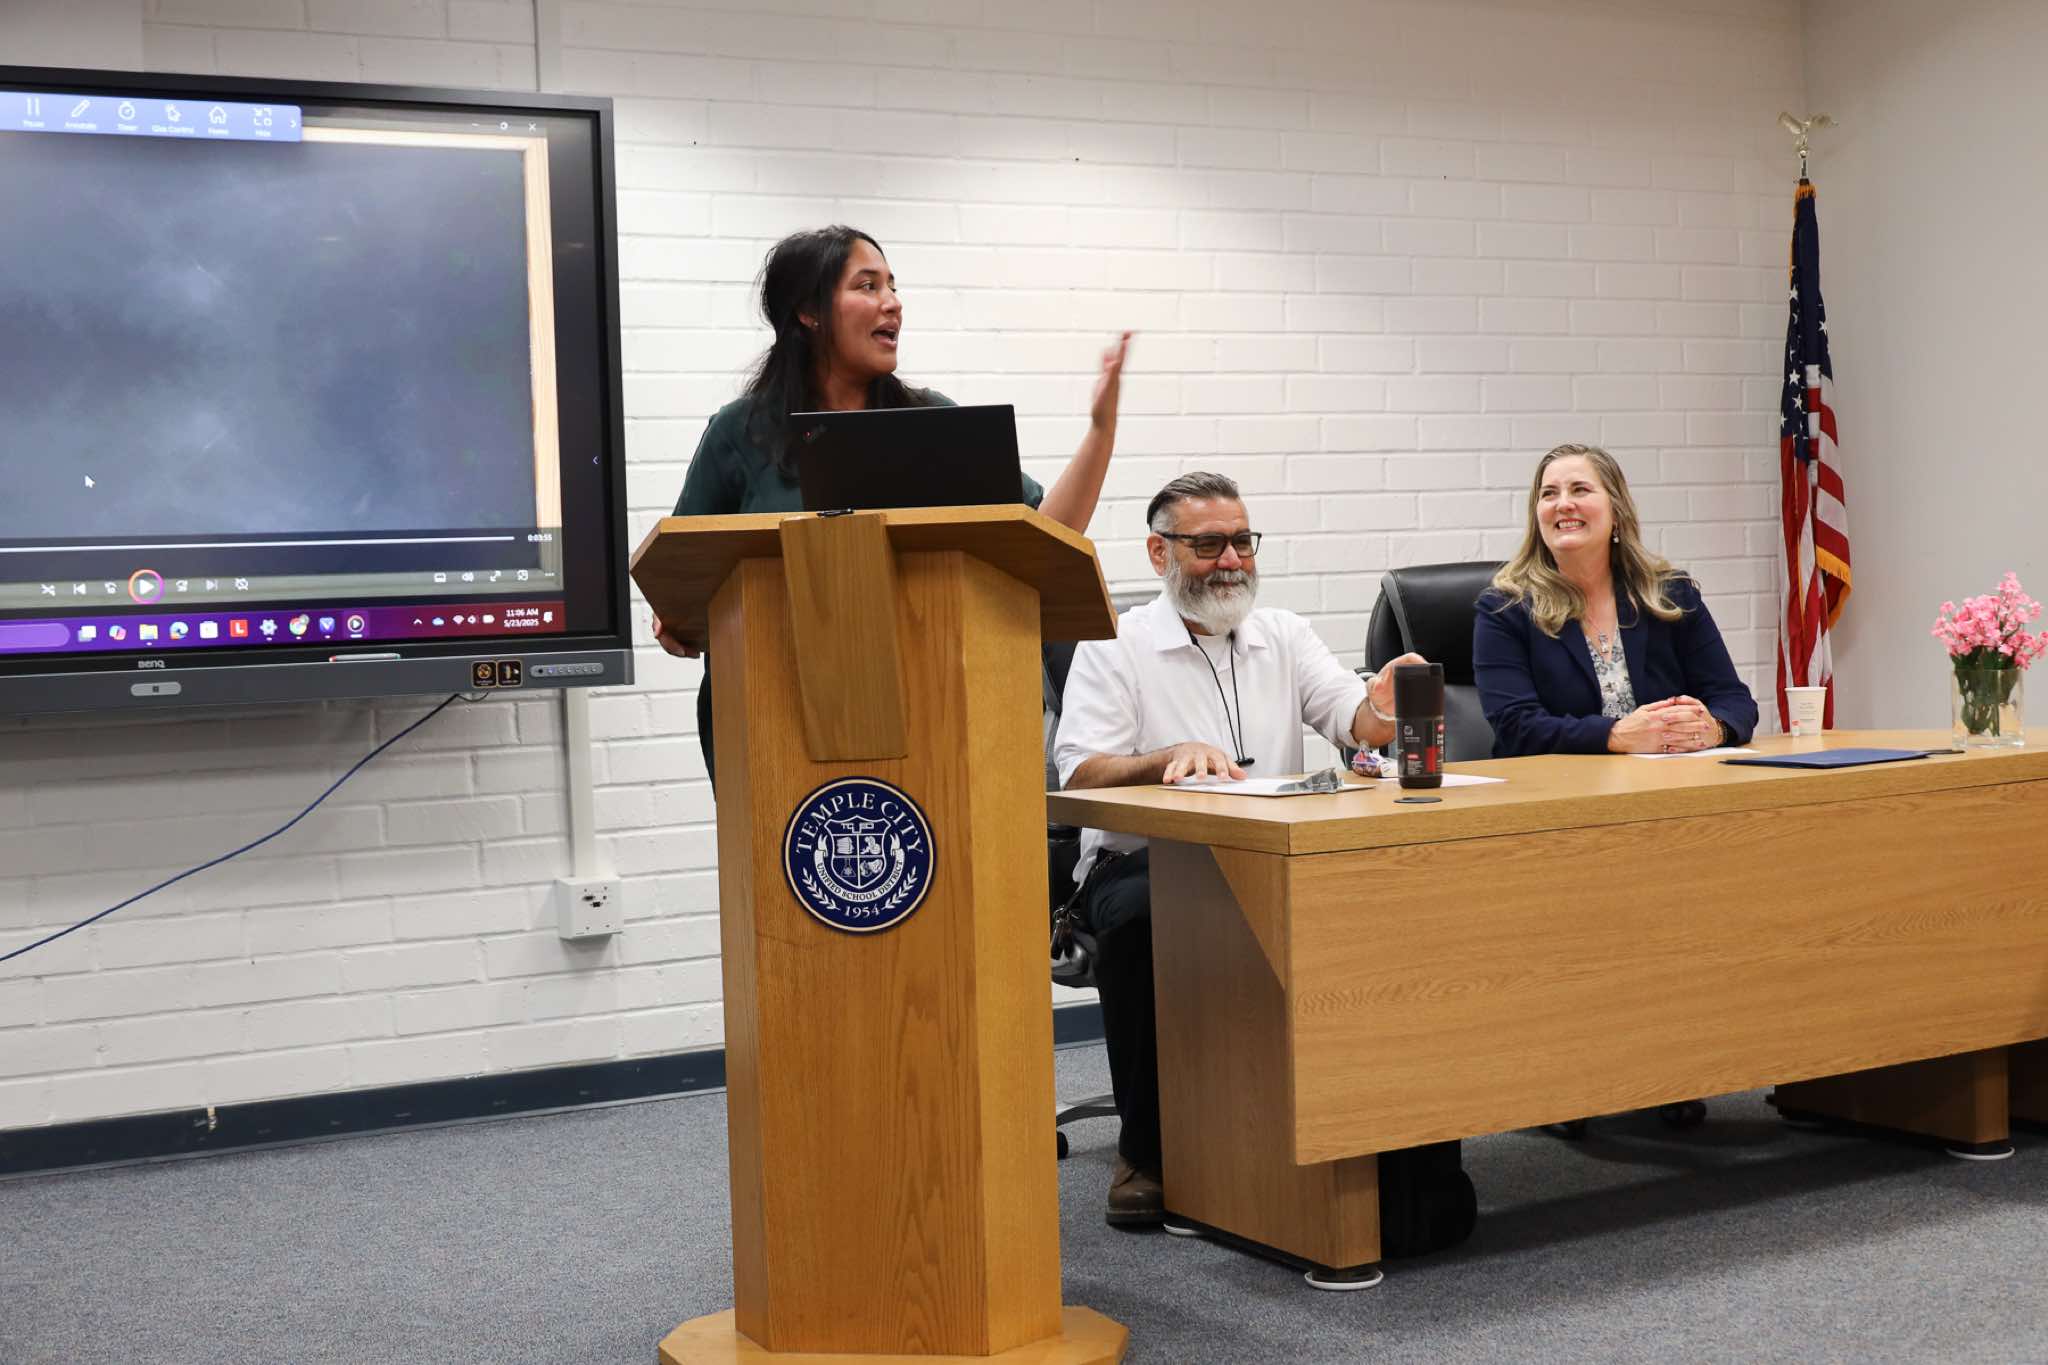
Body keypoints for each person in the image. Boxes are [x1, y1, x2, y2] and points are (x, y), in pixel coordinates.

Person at [1053, 471, 1425, 1225]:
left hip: (1272, 853)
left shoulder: (1283, 633)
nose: (1231, 560)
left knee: (1379, 900)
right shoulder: (1115, 642)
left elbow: (1354, 721)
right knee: (1144, 920)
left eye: (1242, 542)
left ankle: (1351, 1130)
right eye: (1208, 544)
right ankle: (1146, 1151)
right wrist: (1164, 758)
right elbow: (1080, 771)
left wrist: (1383, 708)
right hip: (1146, 861)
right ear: (1159, 552)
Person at [652, 224, 1134, 780]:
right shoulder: (742, 433)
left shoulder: (932, 423)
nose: (893, 303)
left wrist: (1101, 431)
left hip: (934, 720)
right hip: (770, 723)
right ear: (808, 311)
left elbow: (1047, 537)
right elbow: (683, 578)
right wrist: (679, 620)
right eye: (868, 286)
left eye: (893, 286)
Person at [1473, 443, 1758, 757]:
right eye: (1549, 494)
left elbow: (1734, 700)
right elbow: (1515, 726)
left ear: (1617, 511)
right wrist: (1616, 735)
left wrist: (1713, 729)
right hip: (1555, 784)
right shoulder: (1505, 609)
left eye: (1580, 490)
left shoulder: (1670, 596)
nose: (1563, 504)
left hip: (1669, 779)